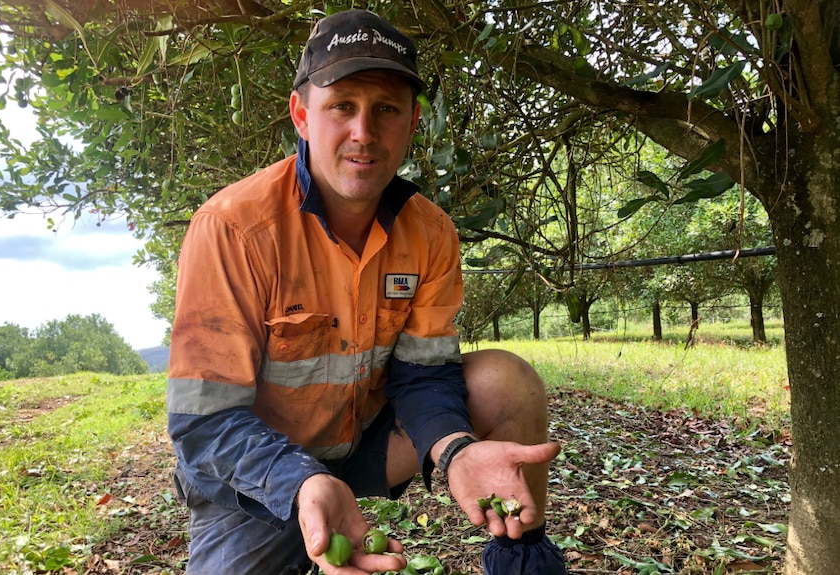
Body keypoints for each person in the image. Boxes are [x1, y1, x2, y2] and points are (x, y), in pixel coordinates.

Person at [167, 9, 567, 575]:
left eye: (386, 109)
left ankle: (522, 559)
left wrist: (454, 450)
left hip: (365, 443)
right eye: (342, 107)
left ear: (412, 123)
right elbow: (203, 421)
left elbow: (423, 374)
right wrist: (303, 481)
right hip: (257, 469)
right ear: (302, 115)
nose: (364, 132)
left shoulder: (429, 233)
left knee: (506, 381)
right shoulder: (233, 228)